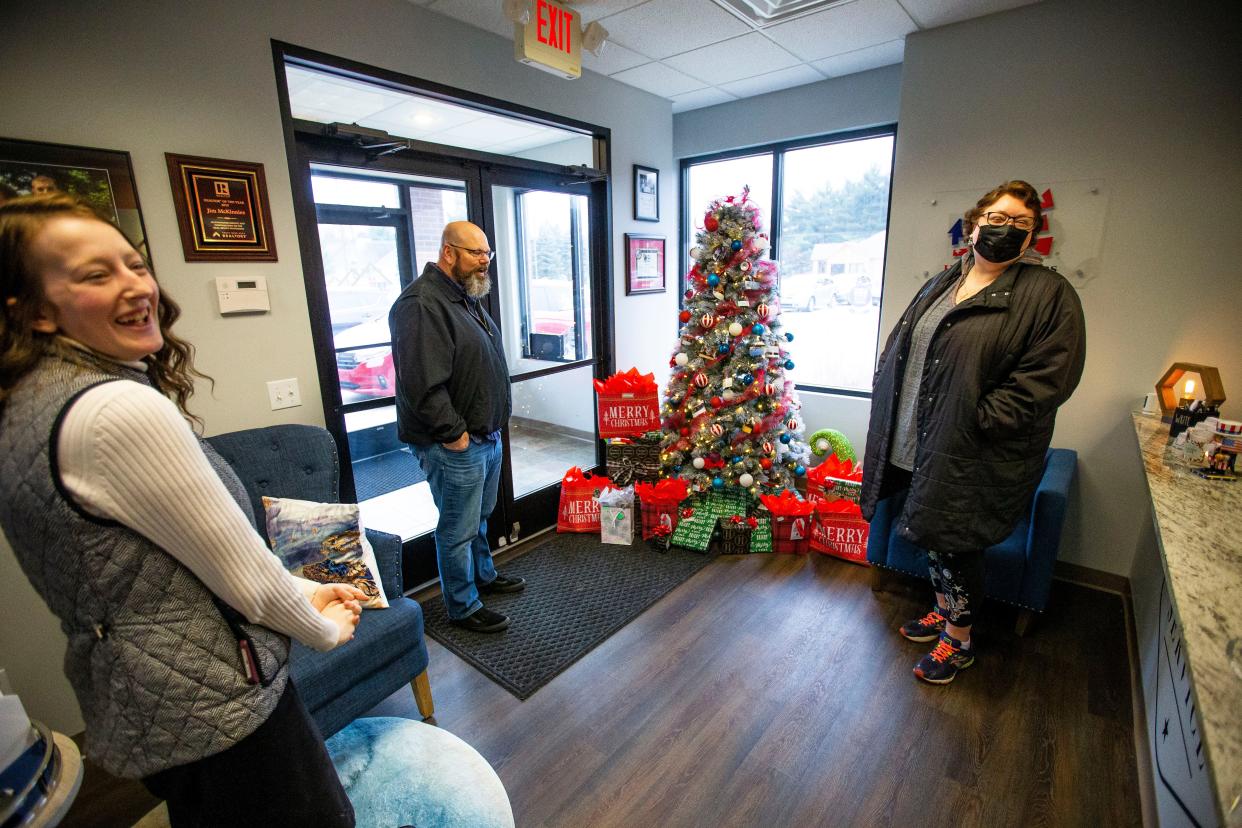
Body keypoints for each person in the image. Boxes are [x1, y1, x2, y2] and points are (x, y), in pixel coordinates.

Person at [0, 194, 363, 826]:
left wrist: (302, 596)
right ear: (33, 311)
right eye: (94, 275)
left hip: (144, 695)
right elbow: (245, 579)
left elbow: (161, 574)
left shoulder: (26, 402)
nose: (136, 286)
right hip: (219, 706)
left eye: (134, 263)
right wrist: (321, 628)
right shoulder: (119, 412)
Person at [860, 180, 1086, 685]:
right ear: (975, 222)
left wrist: (980, 419)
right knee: (934, 537)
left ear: (1032, 237)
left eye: (1021, 224)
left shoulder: (1049, 295)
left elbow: (1047, 380)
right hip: (918, 438)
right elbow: (907, 343)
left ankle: (958, 643)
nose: (1006, 230)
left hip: (972, 448)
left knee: (957, 545)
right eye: (998, 218)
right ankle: (944, 611)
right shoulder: (945, 281)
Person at [389, 221, 525, 633]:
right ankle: (463, 606)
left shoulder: (464, 297)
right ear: (449, 252)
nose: (484, 261)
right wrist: (455, 434)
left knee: (479, 519)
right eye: (475, 253)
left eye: (487, 253)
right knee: (457, 529)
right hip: (454, 444)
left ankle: (483, 576)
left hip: (486, 434)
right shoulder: (421, 304)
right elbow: (421, 384)